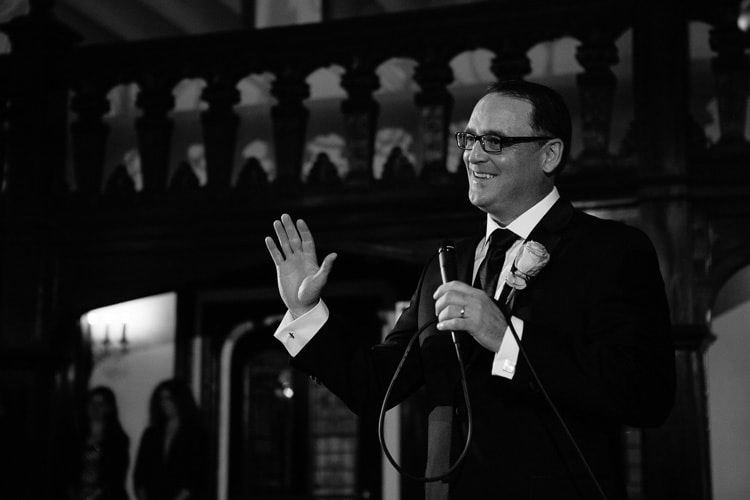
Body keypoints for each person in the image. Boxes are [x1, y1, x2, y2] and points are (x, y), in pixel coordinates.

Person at [265, 80, 675, 499]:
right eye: (470, 138)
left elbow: (646, 394)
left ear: (549, 154)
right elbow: (374, 386)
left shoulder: (610, 250)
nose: (474, 155)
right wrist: (306, 312)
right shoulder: (447, 264)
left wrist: (506, 338)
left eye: (494, 141)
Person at [133, 379, 207, 500]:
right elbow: (140, 474)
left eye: (169, 398)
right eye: (161, 399)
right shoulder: (151, 434)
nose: (164, 403)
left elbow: (196, 476)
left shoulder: (195, 434)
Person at [68, 386, 130, 500]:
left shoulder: (118, 440)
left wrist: (96, 494)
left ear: (109, 408)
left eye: (100, 404)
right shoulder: (76, 437)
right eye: (91, 403)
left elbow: (116, 475)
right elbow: (68, 469)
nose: (94, 408)